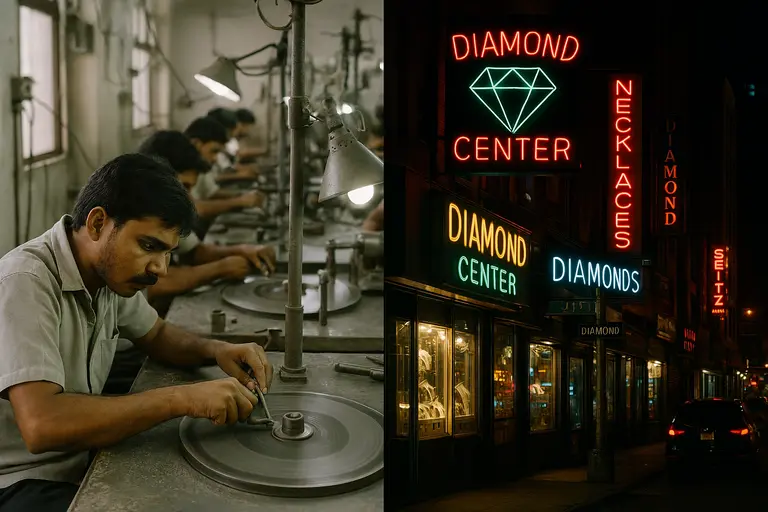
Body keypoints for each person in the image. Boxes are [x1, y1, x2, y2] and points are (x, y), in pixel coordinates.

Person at [0, 153, 273, 512]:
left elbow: (156, 335)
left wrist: (217, 349)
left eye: (169, 252)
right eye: (149, 246)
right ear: (98, 223)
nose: (160, 268)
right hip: (24, 480)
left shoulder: (106, 276)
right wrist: (183, 399)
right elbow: (42, 426)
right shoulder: (26, 281)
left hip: (79, 456)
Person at [138, 130, 277, 304]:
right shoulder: (134, 214)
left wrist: (242, 249)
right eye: (185, 187)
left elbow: (193, 251)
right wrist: (220, 268)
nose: (190, 199)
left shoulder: (166, 209)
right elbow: (149, 285)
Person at [183, 117, 263, 219]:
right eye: (213, 151)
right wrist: (240, 201)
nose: (215, 159)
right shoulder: (175, 167)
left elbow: (210, 192)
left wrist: (242, 195)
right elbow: (196, 209)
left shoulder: (198, 167)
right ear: (196, 143)